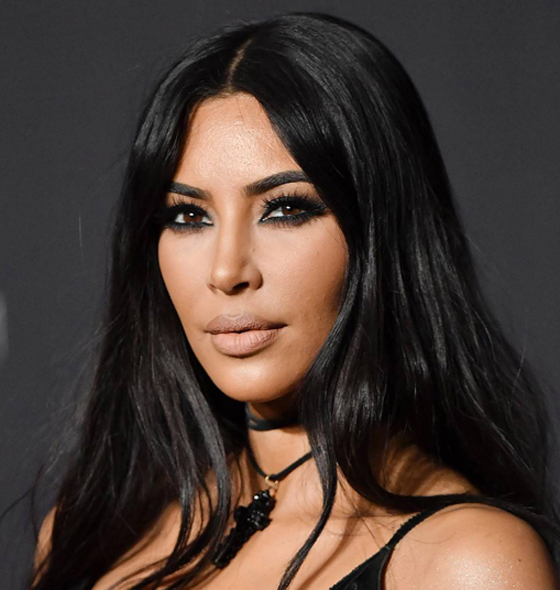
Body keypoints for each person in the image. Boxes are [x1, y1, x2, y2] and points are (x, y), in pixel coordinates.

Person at [30, 11, 559, 590]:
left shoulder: (465, 564)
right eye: (188, 216)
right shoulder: (91, 532)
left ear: (382, 232)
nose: (226, 271)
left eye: (285, 208)